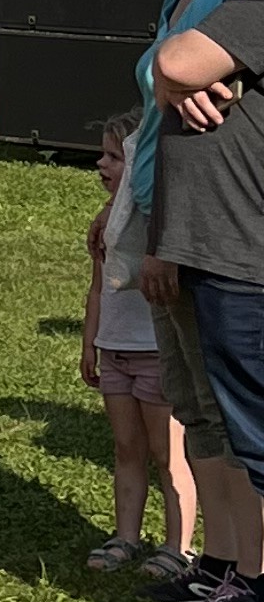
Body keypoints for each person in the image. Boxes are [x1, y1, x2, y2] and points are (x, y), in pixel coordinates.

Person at [129, 0, 258, 602]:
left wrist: (164, 239)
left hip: (201, 225)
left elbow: (194, 78)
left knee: (220, 410)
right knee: (192, 403)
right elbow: (162, 99)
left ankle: (245, 574)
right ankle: (219, 561)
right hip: (158, 210)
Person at [86, 114, 194, 574]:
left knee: (169, 454)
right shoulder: (105, 225)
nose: (102, 164)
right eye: (104, 154)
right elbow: (97, 288)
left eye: (115, 156)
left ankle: (179, 546)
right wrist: (91, 341)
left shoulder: (160, 223)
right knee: (126, 449)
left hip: (155, 351)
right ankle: (126, 537)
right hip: (115, 350)